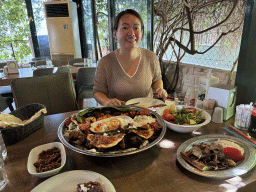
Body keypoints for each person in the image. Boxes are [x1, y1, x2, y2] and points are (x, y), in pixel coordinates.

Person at [93, 9, 167, 106]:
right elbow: (98, 92)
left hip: (146, 114)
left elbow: (156, 79)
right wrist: (106, 101)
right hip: (119, 115)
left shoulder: (151, 57)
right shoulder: (105, 62)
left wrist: (159, 89)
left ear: (142, 33)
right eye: (125, 27)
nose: (132, 33)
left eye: (136, 28)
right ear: (115, 34)